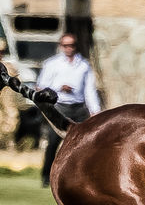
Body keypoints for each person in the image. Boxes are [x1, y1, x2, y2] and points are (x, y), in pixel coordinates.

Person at [38, 33, 102, 186]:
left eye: (71, 45)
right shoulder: (52, 64)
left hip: (78, 108)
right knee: (53, 142)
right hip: (60, 106)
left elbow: (89, 90)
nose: (69, 48)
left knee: (82, 144)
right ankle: (46, 175)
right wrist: (59, 88)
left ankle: (79, 176)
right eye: (66, 45)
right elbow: (41, 86)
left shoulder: (83, 65)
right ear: (61, 46)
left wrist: (95, 110)